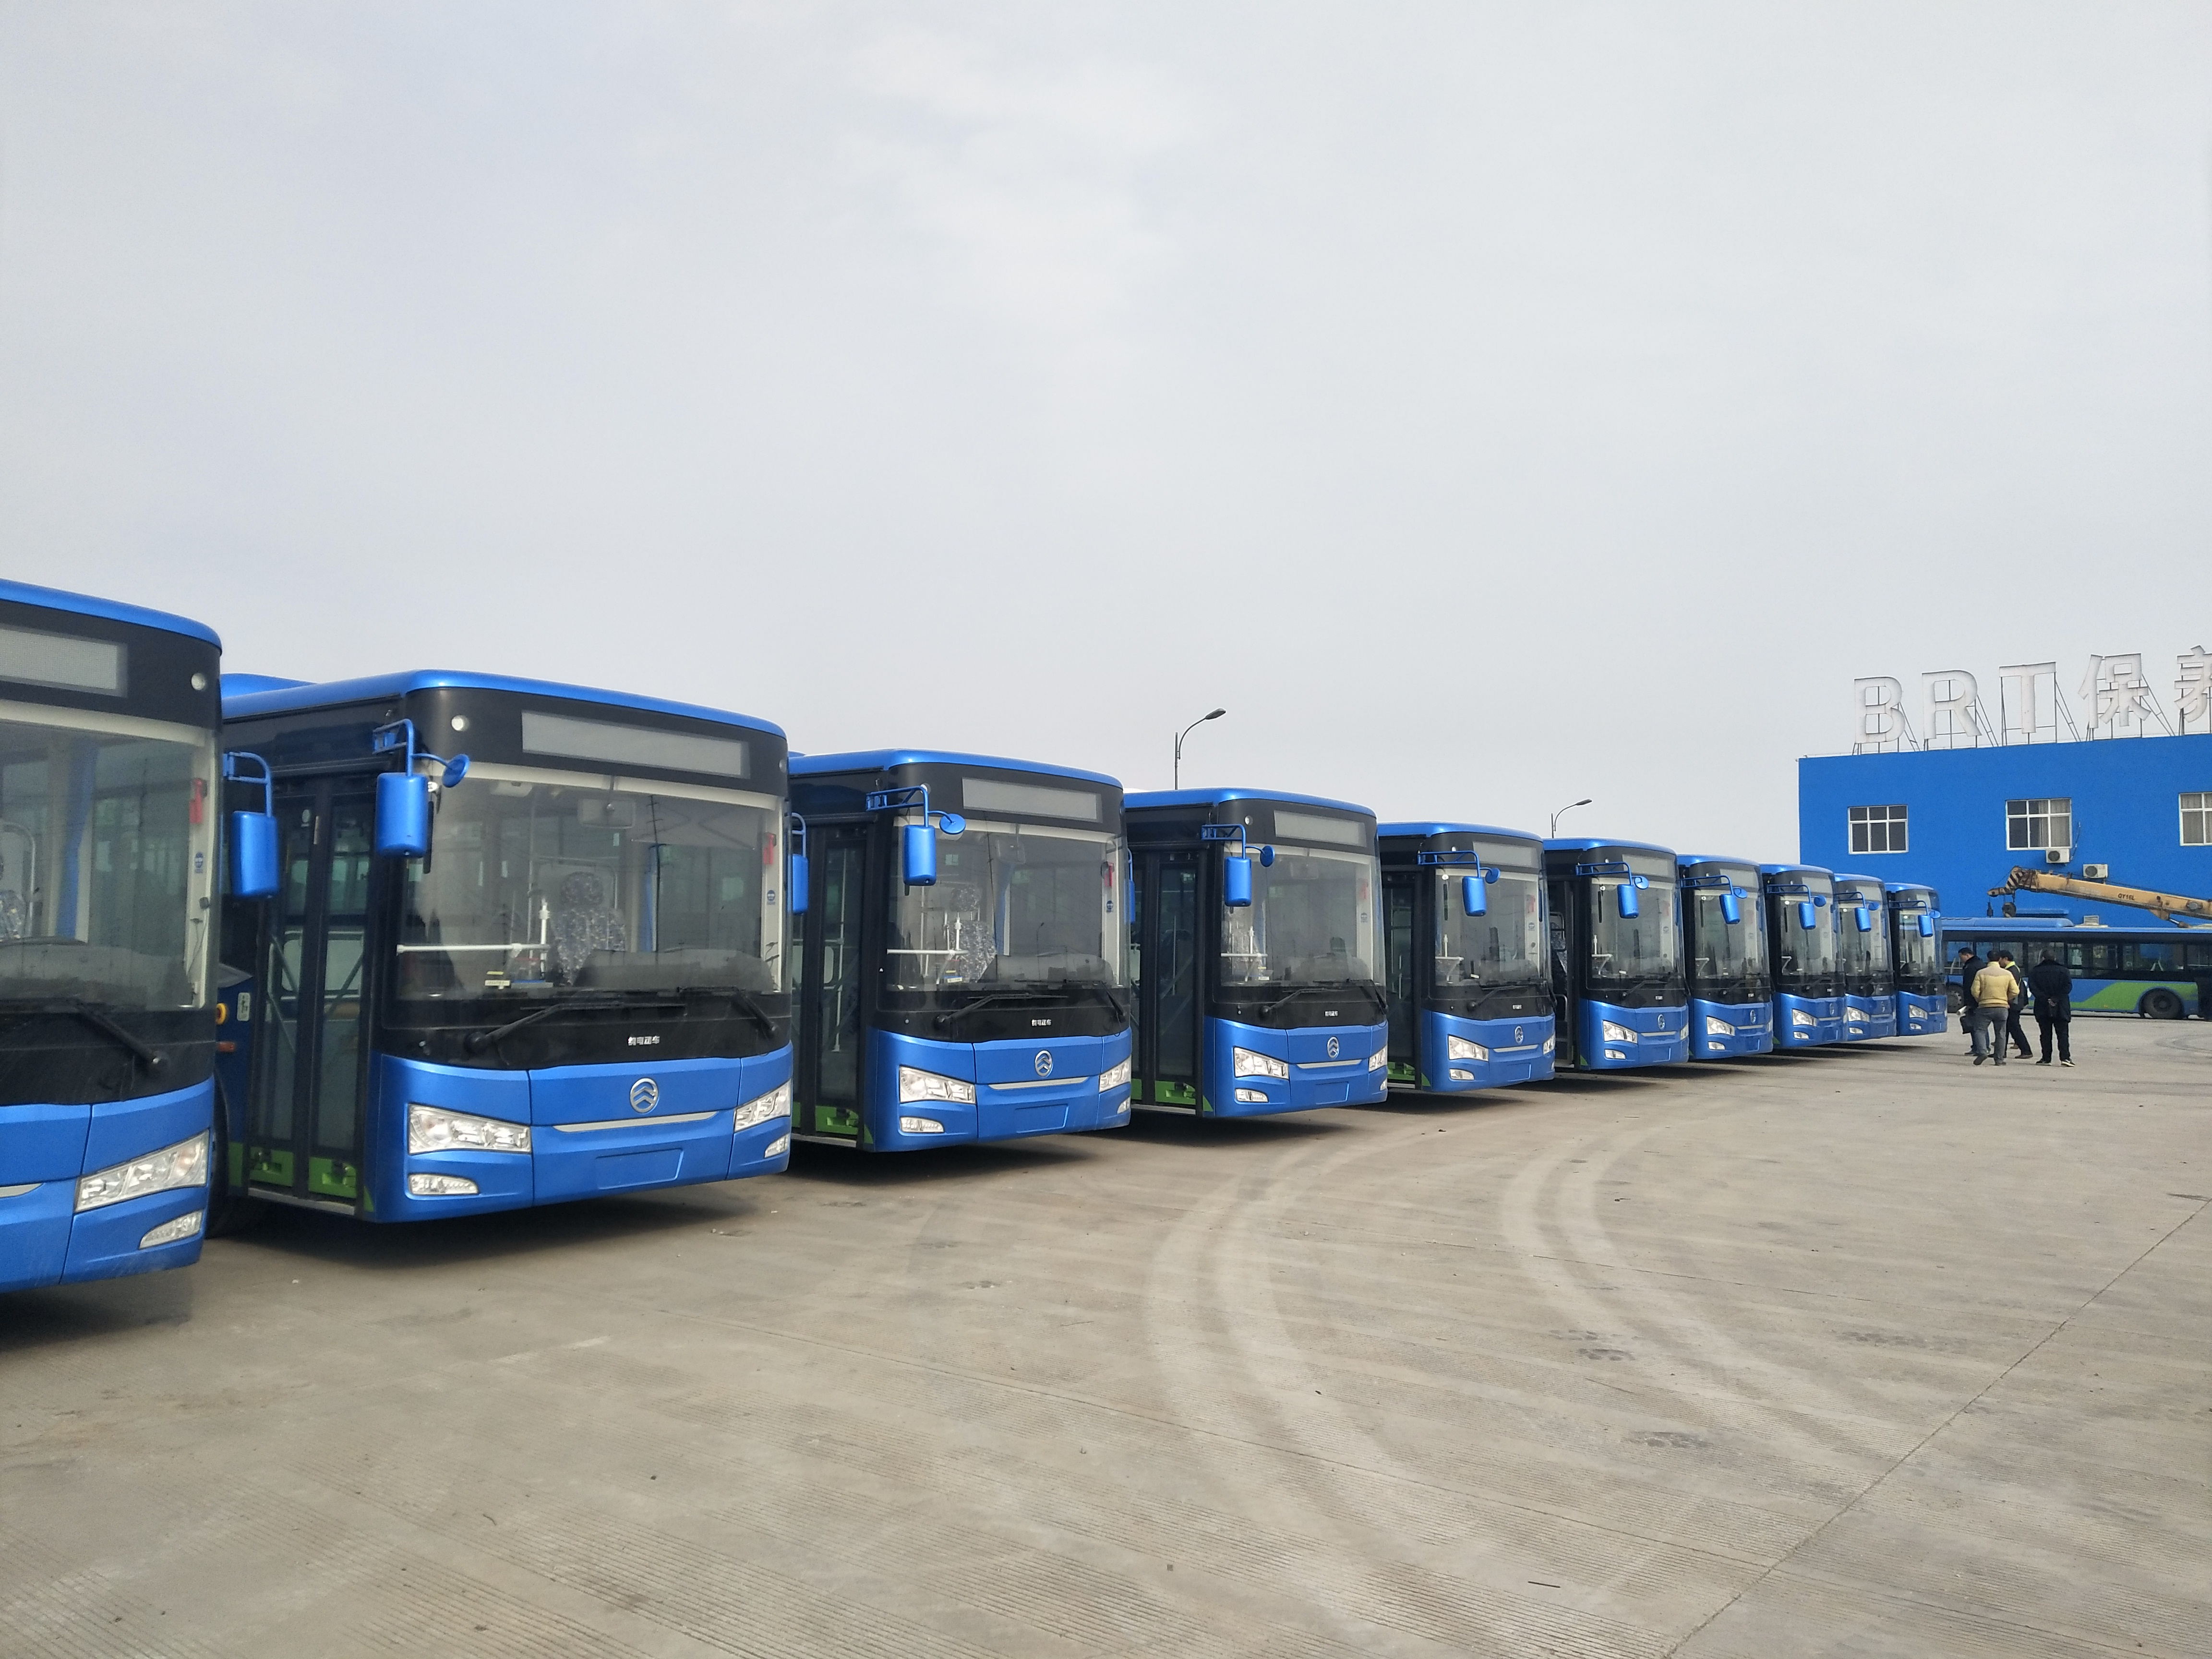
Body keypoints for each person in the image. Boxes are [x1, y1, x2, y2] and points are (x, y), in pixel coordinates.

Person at [1966, 954, 2016, 1065]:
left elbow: (1974, 991)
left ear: (1988, 959)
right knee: (2001, 1033)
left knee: (1980, 1030)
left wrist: (1980, 1000)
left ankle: (1983, 1052)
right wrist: (2006, 999)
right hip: (2002, 1008)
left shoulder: (1981, 973)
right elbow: (2015, 991)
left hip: (1985, 1007)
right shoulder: (2007, 974)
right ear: (1999, 959)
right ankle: (1999, 1059)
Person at [2029, 951, 2074, 1066]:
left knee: (2045, 1034)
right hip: (2061, 1007)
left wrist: (2046, 999)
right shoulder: (2064, 971)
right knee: (2063, 1034)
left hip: (2042, 1006)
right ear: (2055, 958)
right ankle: (2065, 1058)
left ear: (2043, 958)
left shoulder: (2035, 971)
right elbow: (2067, 987)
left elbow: (2033, 988)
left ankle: (2046, 1058)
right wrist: (2055, 999)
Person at [1996, 950, 2034, 1059]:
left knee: (2014, 1027)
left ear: (2005, 959)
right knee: (2007, 1027)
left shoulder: (2012, 971)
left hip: (2013, 1004)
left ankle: (2026, 1050)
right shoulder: (2011, 969)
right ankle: (2001, 1052)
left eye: (2000, 959)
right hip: (2013, 1003)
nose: (1999, 962)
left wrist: (2007, 1000)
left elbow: (2011, 989)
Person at [1954, 946, 1983, 1055]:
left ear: (1967, 955)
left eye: (1961, 957)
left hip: (1973, 1001)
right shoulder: (1980, 964)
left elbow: (1970, 986)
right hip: (1977, 1001)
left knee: (1976, 1026)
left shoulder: (1971, 967)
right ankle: (1979, 1047)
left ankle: (1979, 1048)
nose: (1961, 960)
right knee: (1978, 1026)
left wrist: (1969, 1002)